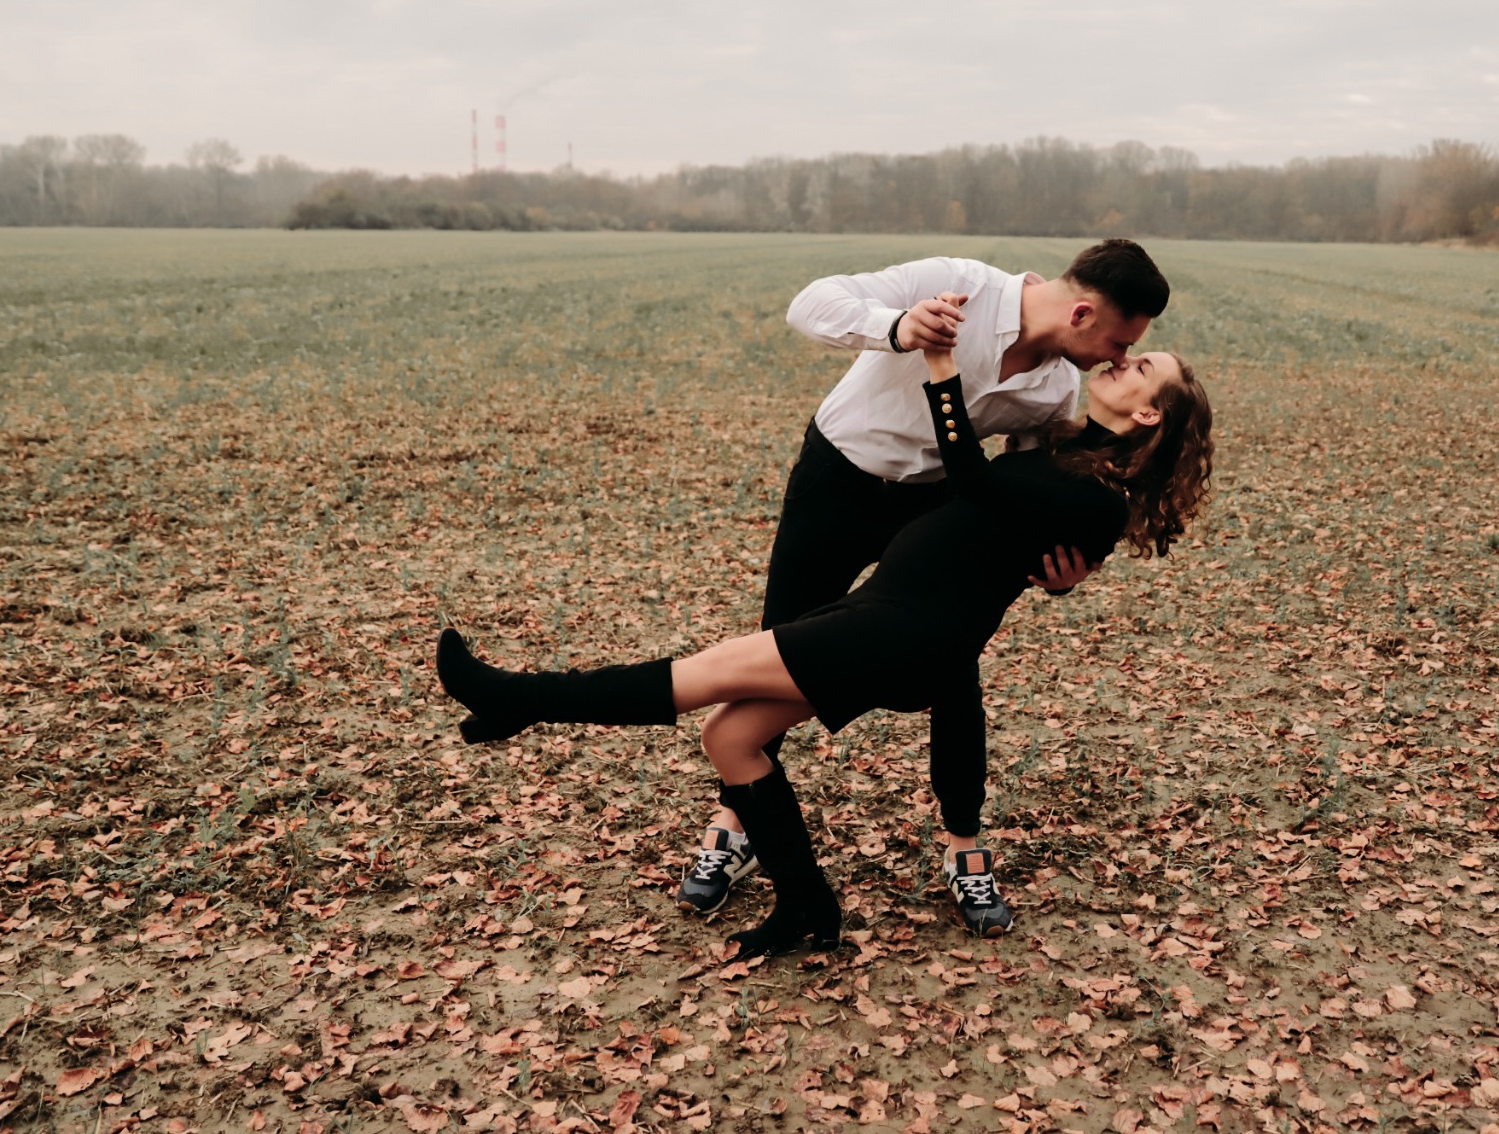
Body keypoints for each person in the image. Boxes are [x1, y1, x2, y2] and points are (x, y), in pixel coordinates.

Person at [435, 310, 1213, 961]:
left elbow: (971, 479)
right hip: (887, 614)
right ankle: (806, 906)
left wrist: (940, 365)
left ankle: (514, 697)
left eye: (1143, 365)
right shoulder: (1061, 450)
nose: (1123, 360)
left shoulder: (1101, 497)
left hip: (906, 633)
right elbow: (1012, 532)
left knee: (701, 675)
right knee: (732, 737)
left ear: (1149, 413)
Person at [672, 241, 1170, 937]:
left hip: (933, 507)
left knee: (954, 664)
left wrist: (1064, 572)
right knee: (780, 637)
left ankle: (964, 846)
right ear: (1083, 311)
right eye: (1120, 342)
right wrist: (899, 328)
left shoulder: (1054, 387)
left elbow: (1020, 508)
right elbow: (809, 303)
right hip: (837, 480)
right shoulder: (954, 283)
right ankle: (735, 820)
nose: (1116, 360)